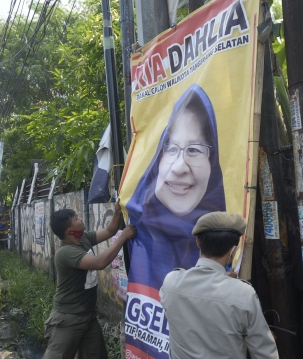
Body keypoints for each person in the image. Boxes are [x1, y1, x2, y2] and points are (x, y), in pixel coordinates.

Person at [125, 84, 226, 290]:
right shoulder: (138, 233)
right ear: (155, 162)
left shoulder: (230, 244)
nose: (180, 167)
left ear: (213, 163)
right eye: (170, 148)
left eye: (195, 149)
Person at [160, 212, 278, 359]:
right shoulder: (244, 294)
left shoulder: (171, 283)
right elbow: (265, 354)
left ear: (198, 241)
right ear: (234, 250)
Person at [43, 202, 136, 359]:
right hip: (68, 319)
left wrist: (118, 212)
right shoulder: (65, 252)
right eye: (76, 218)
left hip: (88, 317)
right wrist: (123, 237)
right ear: (70, 231)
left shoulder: (83, 239)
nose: (80, 218)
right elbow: (99, 262)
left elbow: (109, 230)